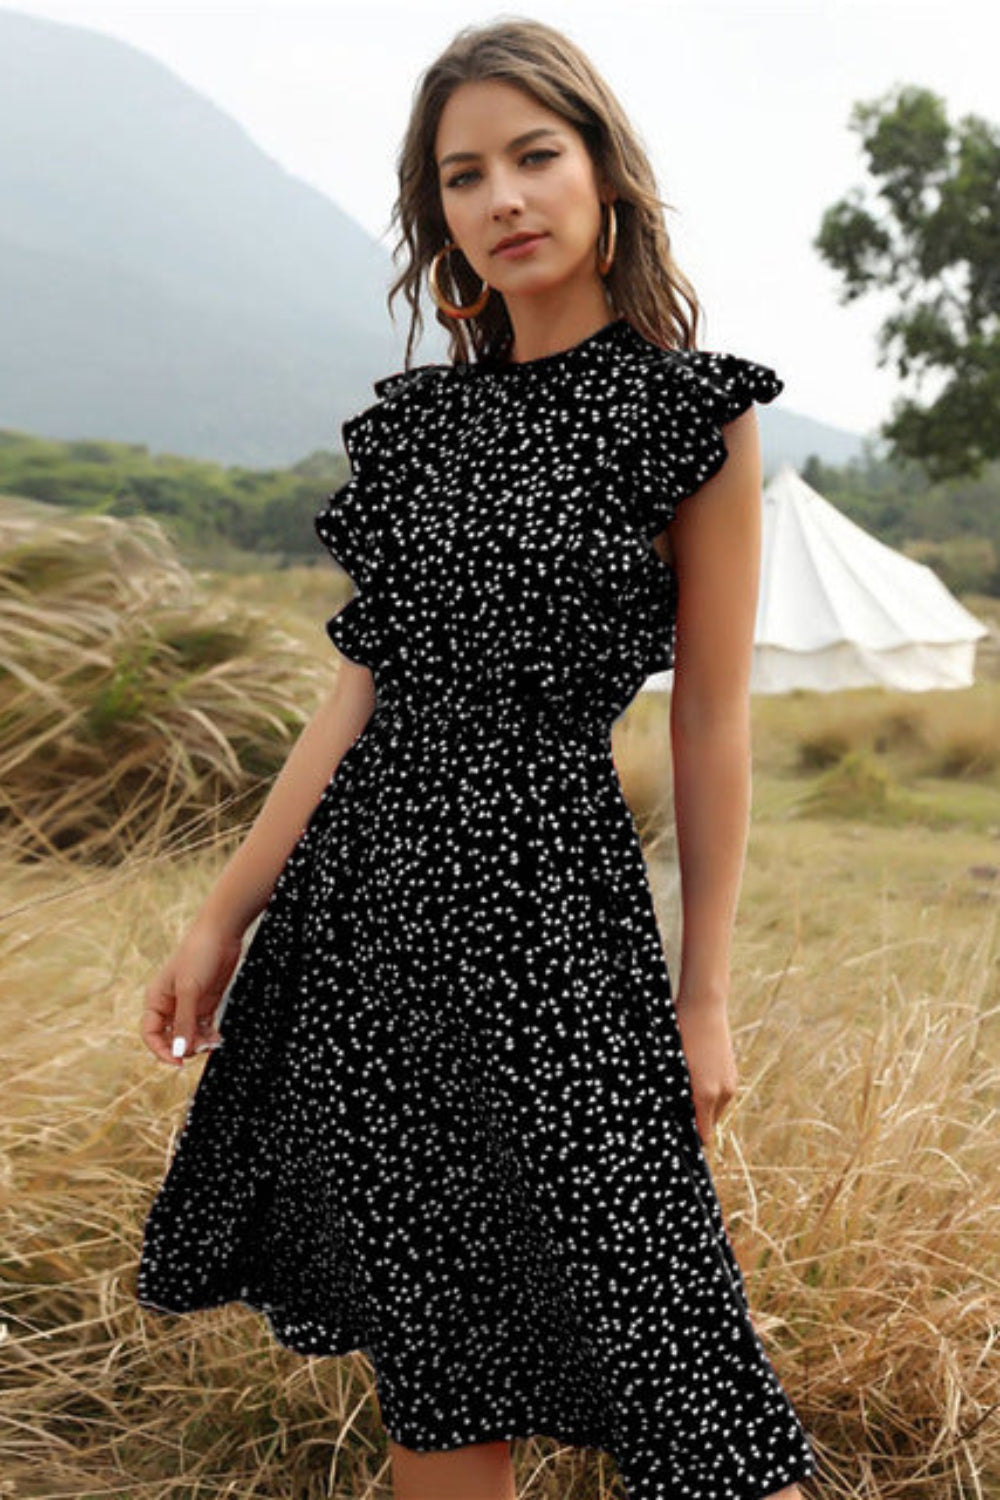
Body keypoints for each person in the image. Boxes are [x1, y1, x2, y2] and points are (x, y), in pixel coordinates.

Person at [135, 18, 819, 1500]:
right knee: (442, 1374)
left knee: (682, 1353)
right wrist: (221, 915)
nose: (502, 197)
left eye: (533, 156)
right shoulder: (420, 434)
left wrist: (702, 998)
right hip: (370, 926)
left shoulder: (691, 414)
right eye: (463, 176)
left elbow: (711, 721)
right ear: (434, 215)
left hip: (556, 916)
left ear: (605, 179)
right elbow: (353, 704)